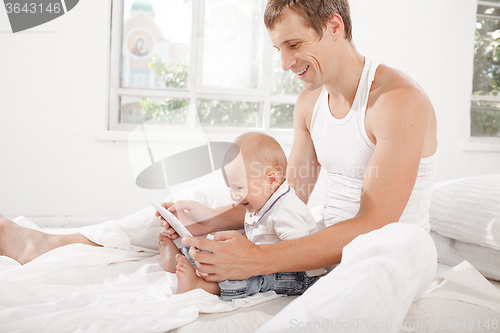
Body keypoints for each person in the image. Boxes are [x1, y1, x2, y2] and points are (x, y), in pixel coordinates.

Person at [0, 0, 438, 330]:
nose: (285, 63)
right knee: (203, 199)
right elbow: (290, 193)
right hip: (325, 234)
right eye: (277, 49)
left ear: (334, 26)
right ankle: (57, 241)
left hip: (381, 243)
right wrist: (210, 220)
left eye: (294, 44)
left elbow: (374, 223)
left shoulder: (397, 101)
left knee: (396, 244)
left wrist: (258, 259)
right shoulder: (309, 103)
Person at [158, 132, 324, 300]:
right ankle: (181, 258)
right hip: (264, 261)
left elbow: (297, 252)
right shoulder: (260, 203)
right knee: (215, 252)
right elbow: (254, 235)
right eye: (230, 188)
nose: (234, 196)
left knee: (253, 279)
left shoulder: (286, 209)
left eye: (239, 188)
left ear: (271, 180)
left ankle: (205, 286)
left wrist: (250, 262)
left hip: (299, 276)